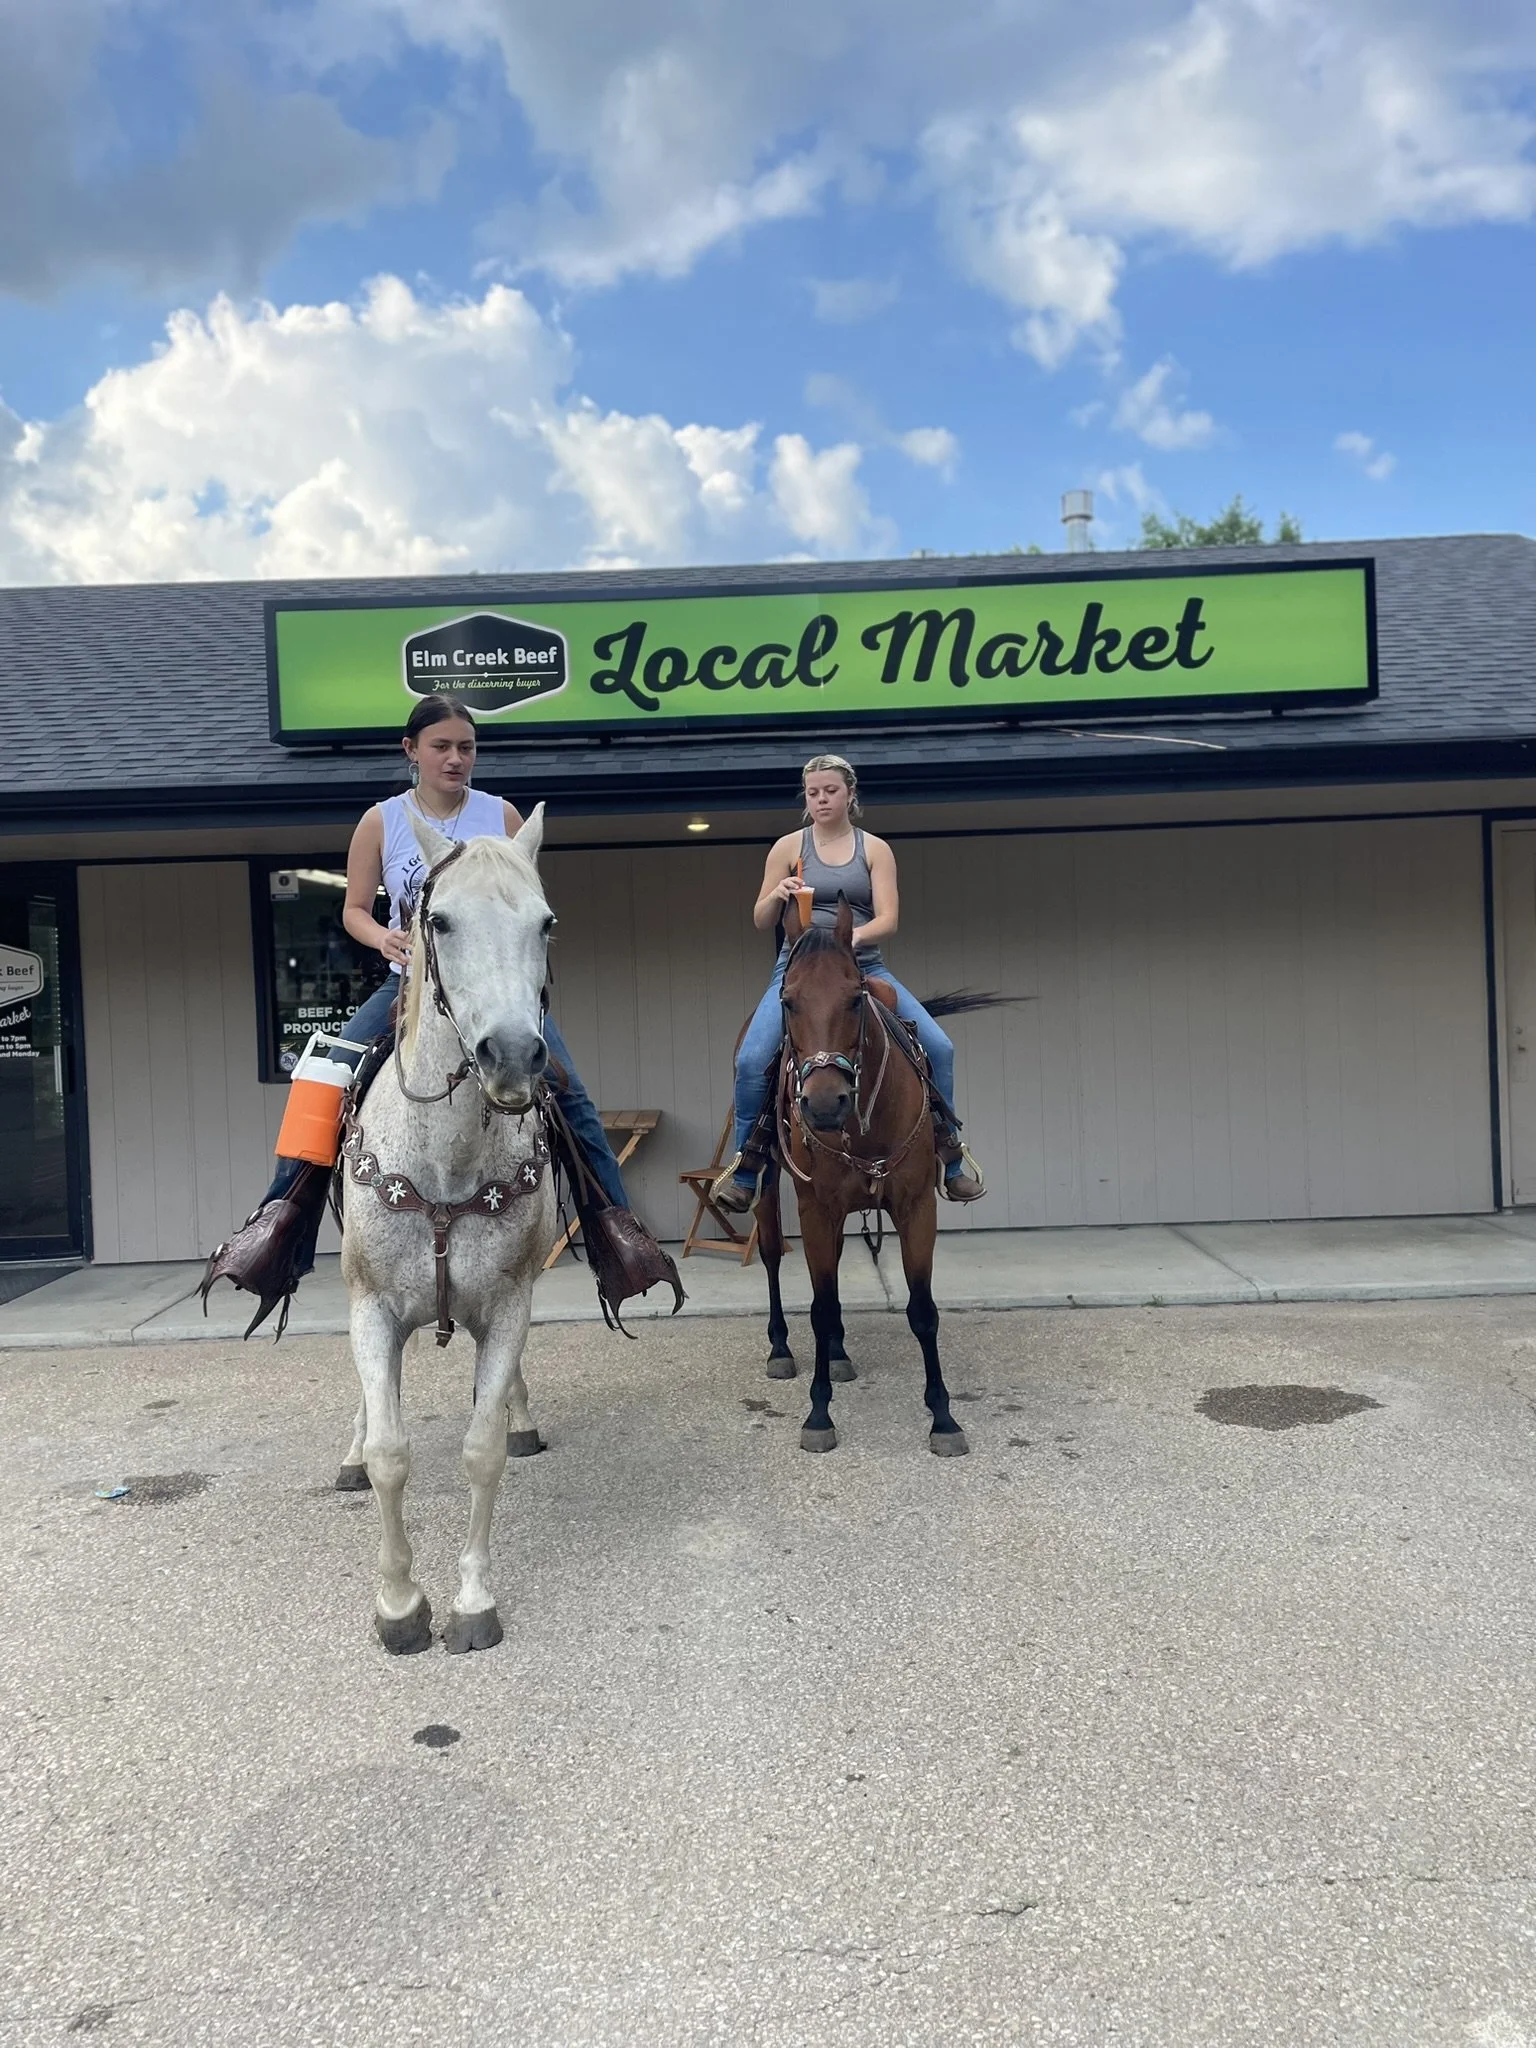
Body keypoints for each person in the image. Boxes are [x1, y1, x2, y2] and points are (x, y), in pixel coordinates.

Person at [269, 694, 628, 1209]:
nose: (455, 758)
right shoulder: (381, 821)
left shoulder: (500, 815)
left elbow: (523, 904)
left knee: (573, 1100)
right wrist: (382, 937)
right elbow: (353, 910)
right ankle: (278, 1230)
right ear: (411, 749)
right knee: (321, 1084)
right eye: (441, 746)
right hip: (410, 984)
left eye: (466, 747)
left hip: (494, 987)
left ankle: (618, 1232)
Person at [711, 752, 984, 1210]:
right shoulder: (787, 848)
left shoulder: (873, 848)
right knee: (752, 1057)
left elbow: (889, 919)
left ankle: (950, 1155)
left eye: (830, 791)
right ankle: (748, 1164)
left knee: (939, 1046)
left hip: (863, 966)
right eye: (813, 792)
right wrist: (776, 895)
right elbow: (760, 919)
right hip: (795, 968)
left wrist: (848, 940)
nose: (821, 799)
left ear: (849, 794)